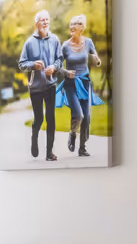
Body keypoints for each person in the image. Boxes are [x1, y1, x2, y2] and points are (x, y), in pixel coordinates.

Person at [54, 13, 104, 158]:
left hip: (85, 82)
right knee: (78, 114)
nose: (72, 26)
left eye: (75, 23)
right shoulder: (65, 46)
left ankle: (82, 148)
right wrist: (65, 71)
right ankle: (72, 133)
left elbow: (94, 55)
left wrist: (96, 58)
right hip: (70, 84)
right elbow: (58, 65)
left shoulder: (88, 42)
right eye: (71, 23)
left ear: (81, 27)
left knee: (87, 117)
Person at [17, 10, 63, 161]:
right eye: (42, 20)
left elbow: (59, 60)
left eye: (47, 19)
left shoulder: (55, 39)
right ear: (36, 23)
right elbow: (21, 64)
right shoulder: (29, 42)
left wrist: (54, 68)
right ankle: (34, 138)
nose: (45, 22)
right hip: (35, 87)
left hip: (50, 85)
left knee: (51, 118)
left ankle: (49, 153)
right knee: (39, 118)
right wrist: (33, 65)